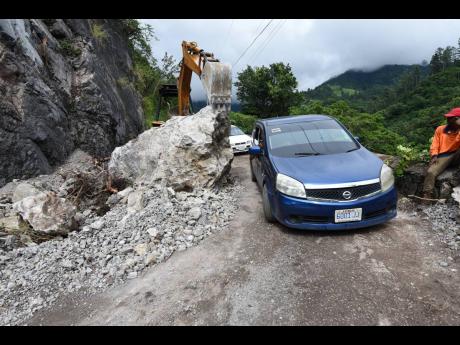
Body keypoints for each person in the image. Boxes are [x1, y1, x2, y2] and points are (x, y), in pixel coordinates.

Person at [422, 107, 460, 199]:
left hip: (457, 155)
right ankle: (427, 195)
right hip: (443, 156)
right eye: (449, 118)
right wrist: (434, 155)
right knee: (431, 172)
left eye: (453, 118)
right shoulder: (440, 129)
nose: (448, 120)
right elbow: (435, 144)